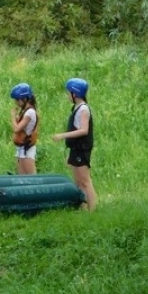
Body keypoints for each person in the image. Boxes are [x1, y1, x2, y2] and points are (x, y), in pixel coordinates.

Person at [52, 78, 98, 211]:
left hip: (82, 149)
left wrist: (62, 135)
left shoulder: (83, 109)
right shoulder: (76, 108)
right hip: (75, 149)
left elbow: (84, 130)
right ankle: (82, 207)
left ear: (75, 94)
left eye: (69, 93)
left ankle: (92, 210)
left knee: (85, 180)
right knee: (78, 181)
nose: (67, 95)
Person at [10, 83, 39, 175]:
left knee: (31, 178)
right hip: (21, 148)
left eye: (17, 100)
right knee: (21, 178)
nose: (16, 103)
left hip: (27, 149)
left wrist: (13, 116)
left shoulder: (30, 112)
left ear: (25, 99)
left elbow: (16, 129)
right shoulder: (25, 111)